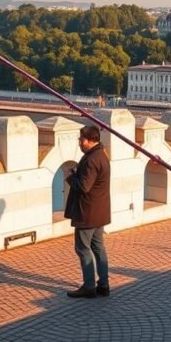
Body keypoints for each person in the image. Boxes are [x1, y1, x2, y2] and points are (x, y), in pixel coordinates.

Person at [64, 125, 112, 299]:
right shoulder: (101, 154)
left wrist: (70, 176)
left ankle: (89, 287)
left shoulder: (92, 159)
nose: (79, 142)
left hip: (87, 213)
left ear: (91, 140)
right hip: (99, 212)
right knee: (98, 248)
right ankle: (104, 285)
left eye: (81, 139)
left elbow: (84, 186)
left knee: (83, 248)